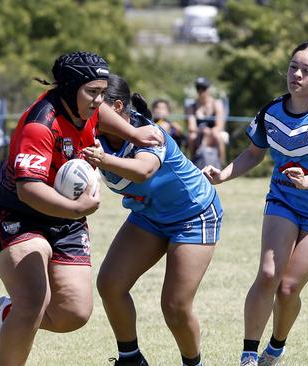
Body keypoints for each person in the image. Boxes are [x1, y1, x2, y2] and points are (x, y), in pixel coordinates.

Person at [0, 52, 163, 366]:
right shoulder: (41, 124)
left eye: (102, 93)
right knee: (34, 300)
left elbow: (101, 114)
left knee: (72, 314)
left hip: (66, 219)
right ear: (68, 88)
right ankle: (17, 322)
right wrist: (76, 207)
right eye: (91, 92)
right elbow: (28, 190)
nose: (98, 100)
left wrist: (133, 133)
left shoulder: (87, 106)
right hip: (17, 216)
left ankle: (8, 314)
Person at [202, 41, 308, 366]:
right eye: (293, 67)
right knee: (269, 273)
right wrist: (223, 174)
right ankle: (247, 356)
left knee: (287, 289)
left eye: (306, 70)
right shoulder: (271, 110)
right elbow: (254, 153)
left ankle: (276, 346)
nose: (296, 74)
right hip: (284, 198)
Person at [84, 74, 222, 366]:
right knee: (110, 283)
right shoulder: (92, 134)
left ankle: (193, 364)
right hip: (150, 215)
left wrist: (102, 160)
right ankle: (130, 359)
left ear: (118, 106)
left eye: (98, 103)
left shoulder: (149, 132)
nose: (90, 108)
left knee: (175, 306)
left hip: (193, 214)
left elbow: (142, 171)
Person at [186, 77, 226, 168]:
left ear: (208, 89)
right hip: (198, 132)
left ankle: (221, 163)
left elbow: (220, 125)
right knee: (192, 137)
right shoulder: (191, 106)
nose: (201, 91)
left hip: (213, 132)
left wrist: (209, 132)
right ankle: (191, 163)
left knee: (217, 135)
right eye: (198, 88)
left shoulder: (217, 104)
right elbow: (191, 127)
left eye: (203, 88)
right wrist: (202, 131)